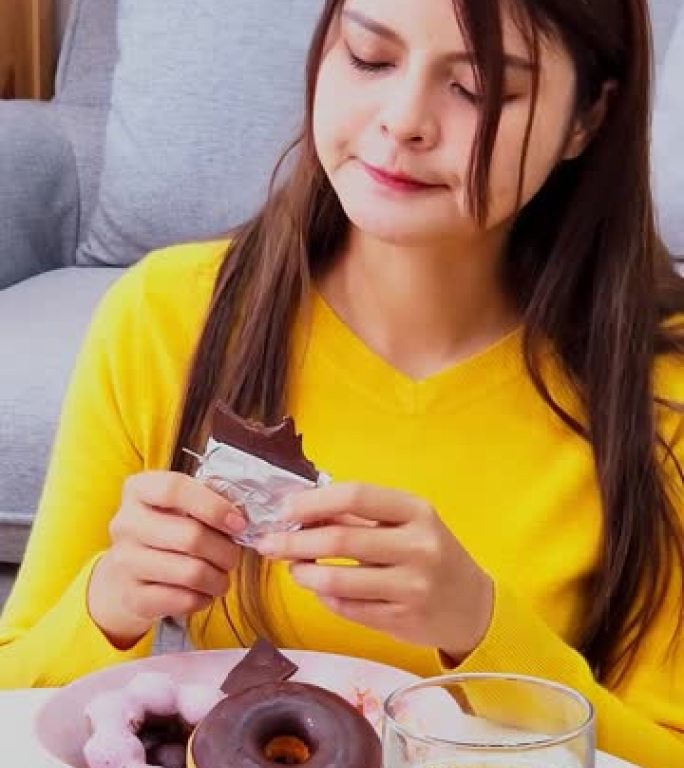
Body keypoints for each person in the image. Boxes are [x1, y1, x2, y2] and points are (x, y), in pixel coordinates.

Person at [1, 0, 683, 763]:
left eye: (480, 89)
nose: (403, 121)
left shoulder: (663, 389)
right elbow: (13, 689)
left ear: (588, 118)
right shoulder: (167, 320)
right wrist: (114, 599)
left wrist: (481, 629)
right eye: (369, 56)